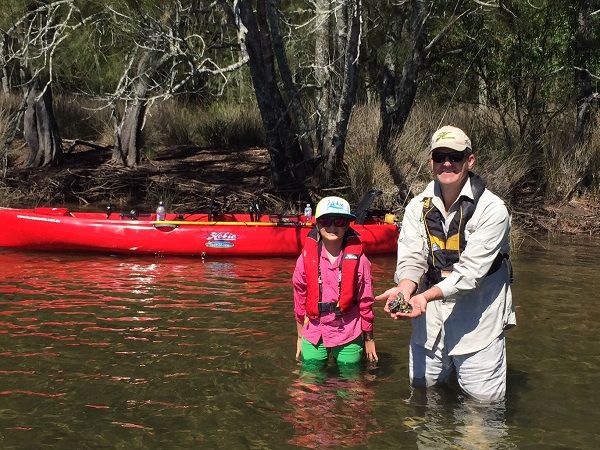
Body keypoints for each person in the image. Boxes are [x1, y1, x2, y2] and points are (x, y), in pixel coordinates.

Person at [376, 125, 516, 402]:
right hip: (429, 318)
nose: (447, 163)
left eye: (456, 156)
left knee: (482, 405)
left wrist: (424, 296)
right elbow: (412, 257)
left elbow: (470, 274)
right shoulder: (417, 206)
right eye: (440, 156)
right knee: (422, 392)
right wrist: (405, 290)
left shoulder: (493, 210)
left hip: (479, 318)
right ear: (432, 162)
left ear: (470, 160)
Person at [293, 196, 378, 369]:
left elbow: (365, 300)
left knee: (351, 383)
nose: (332, 227)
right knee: (309, 381)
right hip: (315, 330)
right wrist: (300, 337)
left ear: (347, 225)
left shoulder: (360, 260)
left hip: (348, 330)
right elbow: (299, 297)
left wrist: (369, 339)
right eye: (326, 221)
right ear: (317, 224)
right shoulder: (305, 258)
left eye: (339, 221)